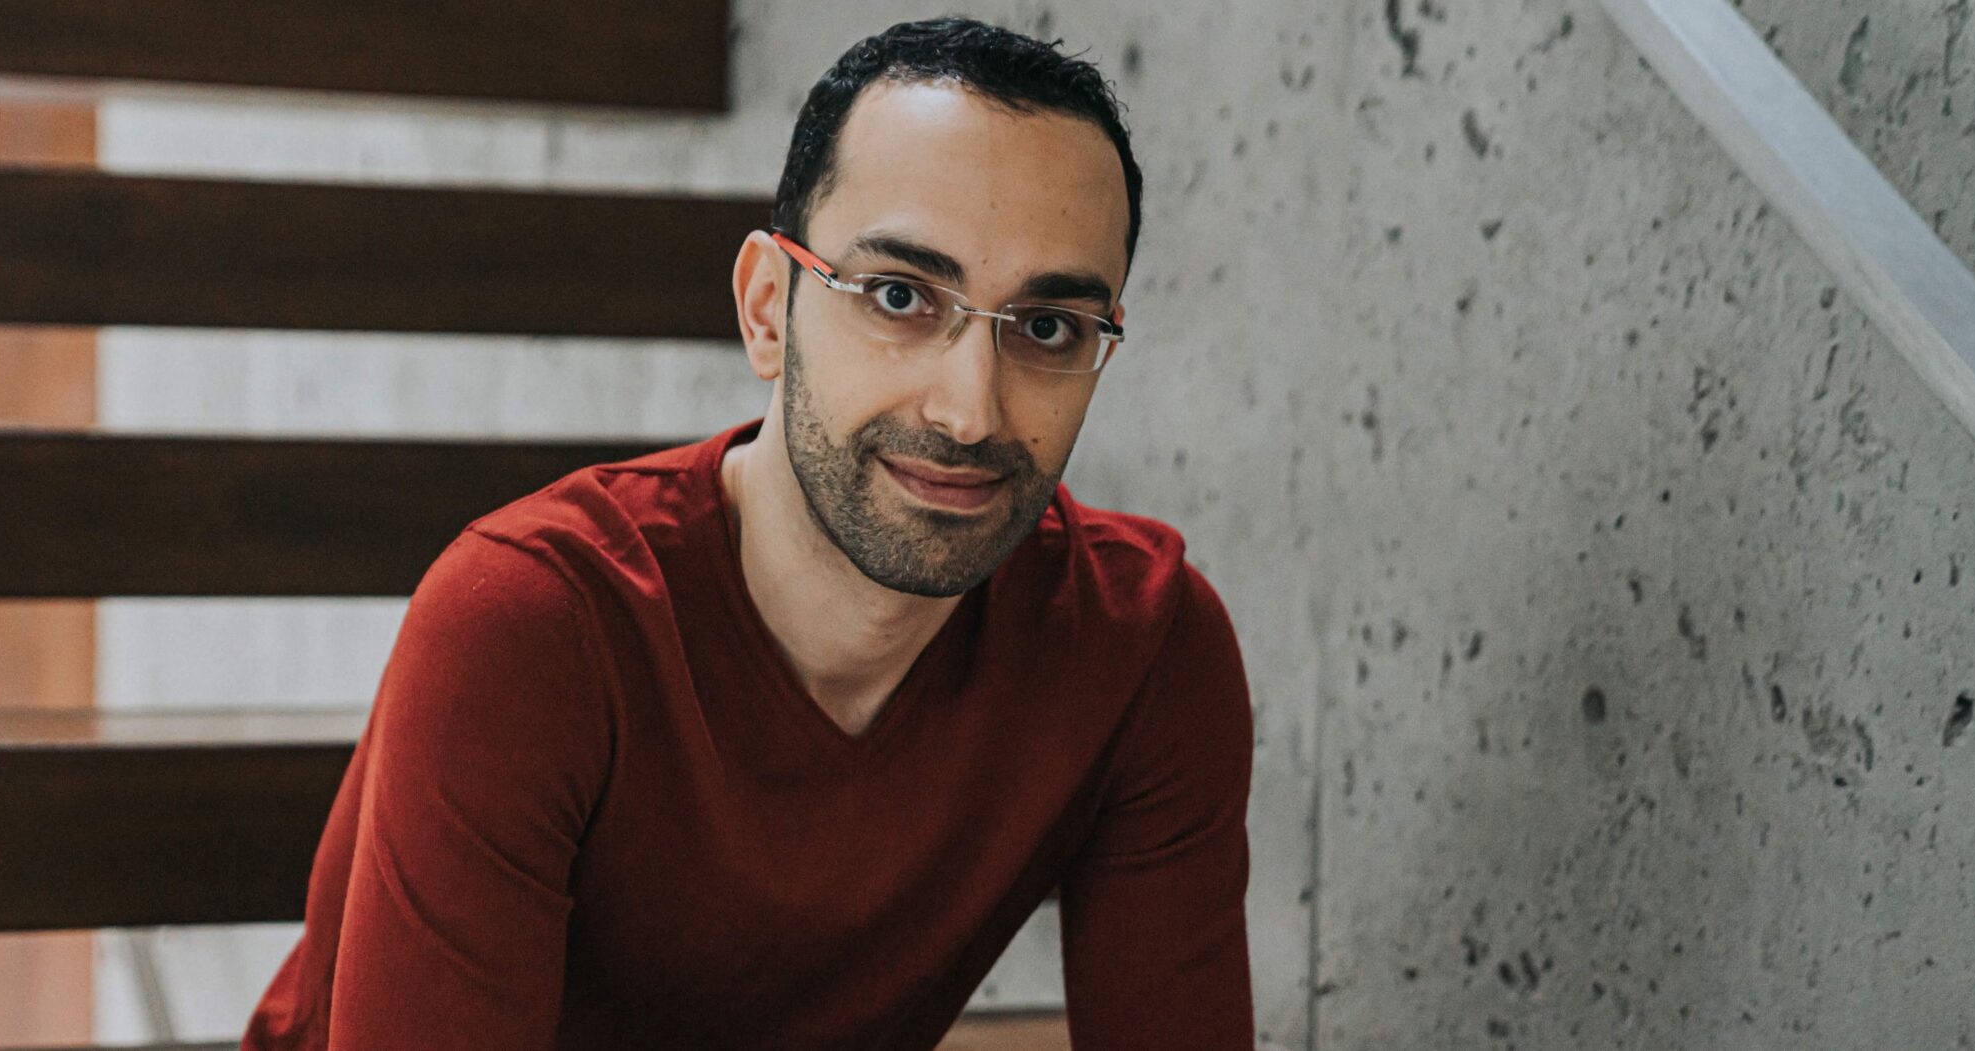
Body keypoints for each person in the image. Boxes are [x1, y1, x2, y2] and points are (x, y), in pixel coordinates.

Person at [243, 17, 1253, 1050]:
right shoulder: (529, 623)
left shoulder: (1143, 645)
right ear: (768, 309)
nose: (969, 411)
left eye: (1046, 327)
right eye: (899, 296)